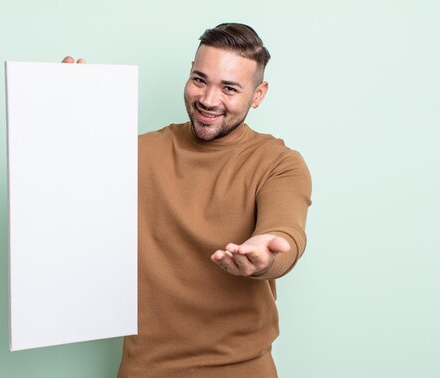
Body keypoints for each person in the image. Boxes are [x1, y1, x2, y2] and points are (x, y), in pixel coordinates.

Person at [63, 23, 311, 377]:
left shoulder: (278, 162)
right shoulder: (135, 153)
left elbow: (285, 232)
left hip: (241, 370)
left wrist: (264, 256)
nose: (208, 100)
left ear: (258, 94)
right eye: (199, 80)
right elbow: (63, 191)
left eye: (229, 88)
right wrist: (64, 112)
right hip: (144, 369)